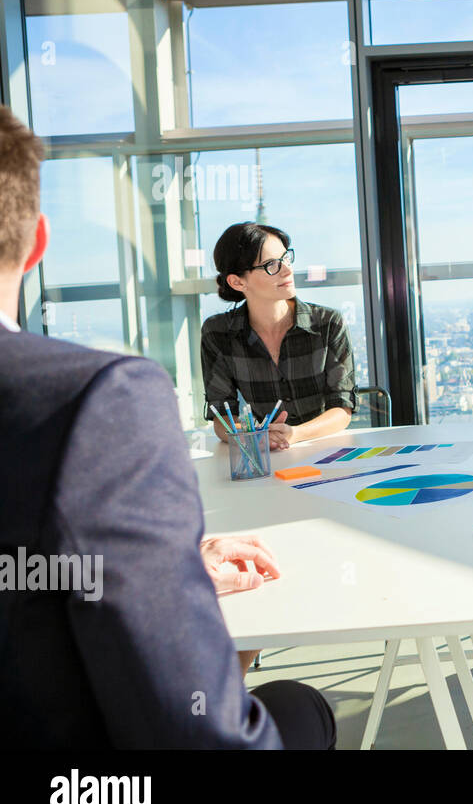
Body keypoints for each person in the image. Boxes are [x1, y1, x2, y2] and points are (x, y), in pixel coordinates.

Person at [0, 106, 335, 747]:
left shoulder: (323, 322)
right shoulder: (93, 400)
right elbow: (196, 730)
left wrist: (157, 564)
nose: (284, 270)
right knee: (299, 707)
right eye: (270, 263)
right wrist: (155, 573)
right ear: (38, 241)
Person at [201, 222, 356, 451]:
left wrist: (294, 435)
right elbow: (222, 418)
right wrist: (252, 435)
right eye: (271, 265)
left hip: (325, 450)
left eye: (286, 258)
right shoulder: (219, 333)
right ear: (237, 281)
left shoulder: (328, 323)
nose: (287, 270)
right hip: (264, 455)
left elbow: (342, 410)